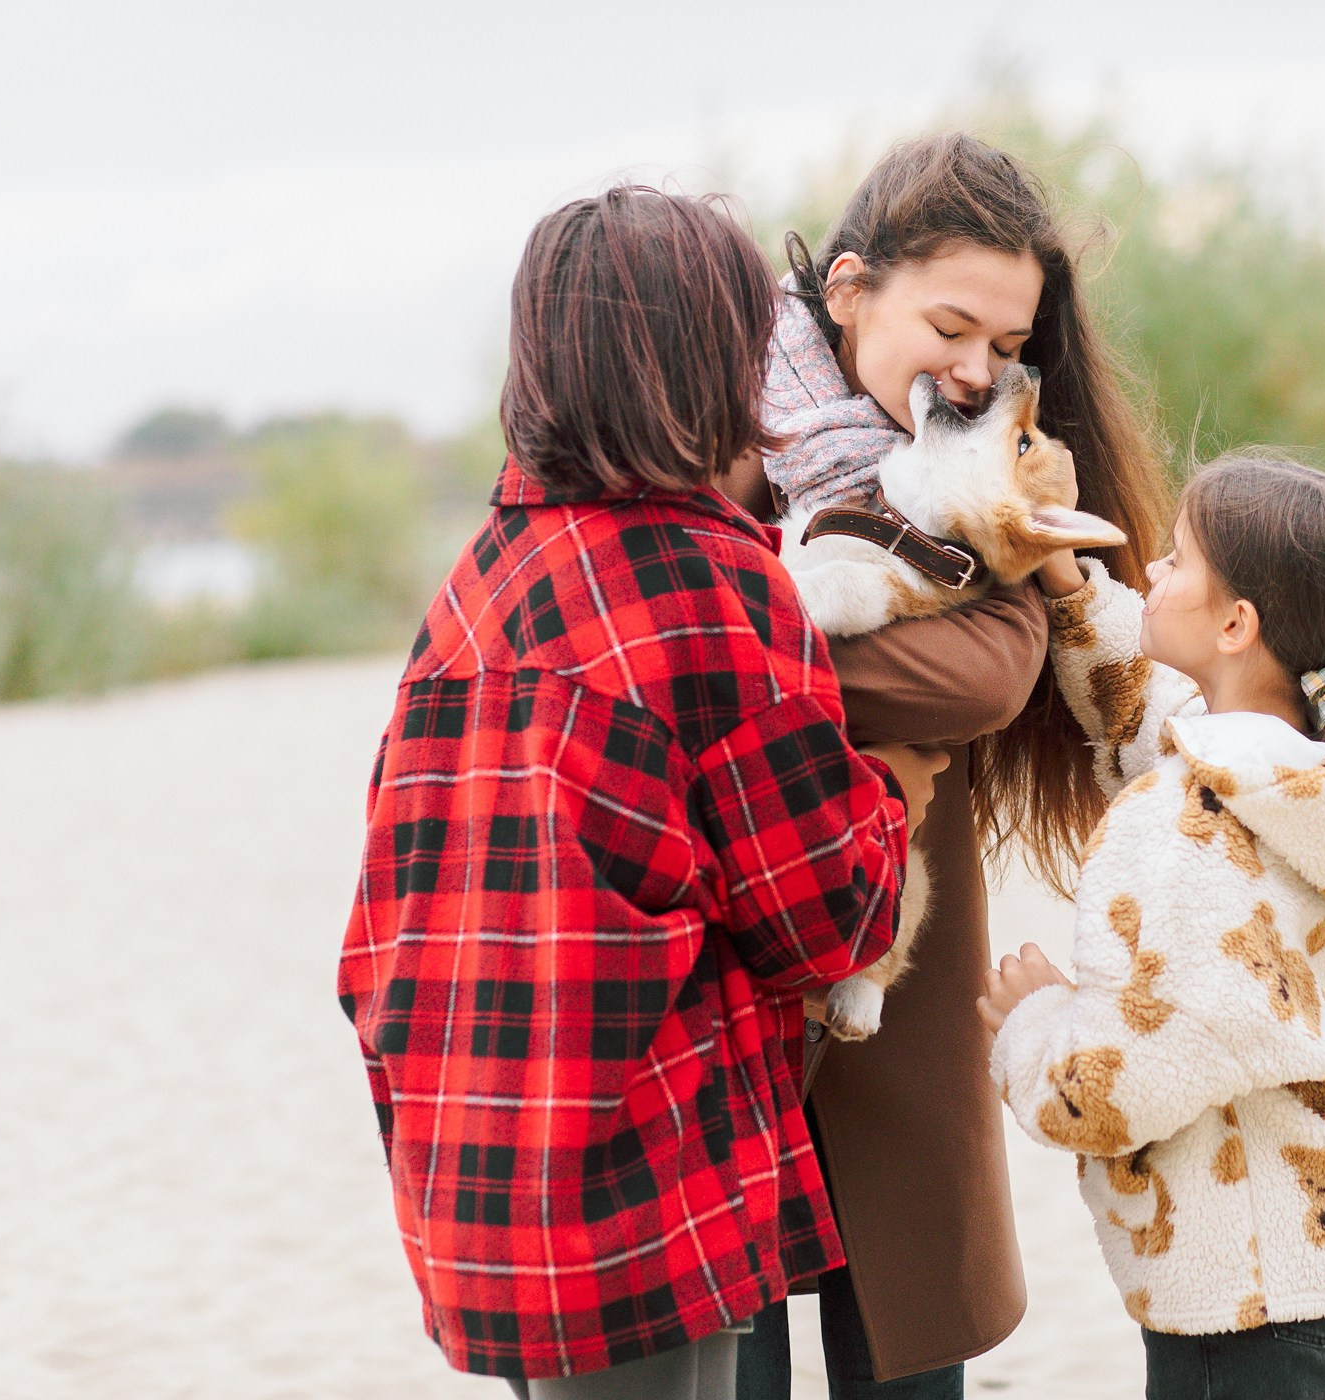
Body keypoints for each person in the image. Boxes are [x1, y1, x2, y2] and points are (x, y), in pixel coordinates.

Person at [336, 185, 949, 1399]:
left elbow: (385, 902)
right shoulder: (710, 579)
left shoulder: (481, 579)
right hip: (631, 1173)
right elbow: (829, 915)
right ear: (703, 359)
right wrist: (896, 785)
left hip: (466, 1160)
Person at [724, 133, 1171, 1398]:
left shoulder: (989, 476)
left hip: (897, 946)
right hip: (725, 948)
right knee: (730, 1341)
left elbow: (993, 671)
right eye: (954, 326)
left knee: (908, 1342)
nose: (979, 372)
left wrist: (743, 658)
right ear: (852, 287)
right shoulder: (714, 418)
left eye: (1009, 347)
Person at [979, 452, 1325, 1400]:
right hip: (1298, 1230)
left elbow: (1137, 1074)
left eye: (1176, 561)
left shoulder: (1185, 825)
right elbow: (1151, 718)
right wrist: (1067, 580)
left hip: (1238, 1273)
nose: (1151, 572)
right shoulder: (1294, 764)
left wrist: (1034, 1029)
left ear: (1236, 623)